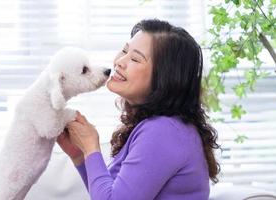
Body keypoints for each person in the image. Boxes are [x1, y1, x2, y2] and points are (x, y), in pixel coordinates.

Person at [56, 19, 220, 200]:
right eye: (125, 51)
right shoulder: (162, 126)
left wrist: (90, 148)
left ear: (164, 79)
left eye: (135, 59)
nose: (120, 61)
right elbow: (111, 194)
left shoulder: (163, 131)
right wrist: (80, 155)